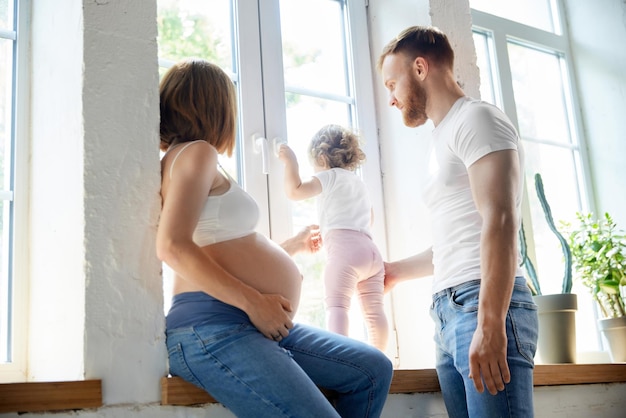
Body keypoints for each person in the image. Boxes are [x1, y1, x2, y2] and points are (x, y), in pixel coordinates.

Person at [156, 58, 393, 418]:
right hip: (214, 326)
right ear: (216, 106)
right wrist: (255, 303)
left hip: (250, 322)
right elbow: (172, 245)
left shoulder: (185, 159)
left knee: (372, 370)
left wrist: (290, 249)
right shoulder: (198, 152)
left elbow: (218, 246)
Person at [377, 26, 539, 418]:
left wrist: (489, 324)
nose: (392, 99)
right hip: (448, 312)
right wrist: (394, 272)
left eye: (392, 83)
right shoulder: (440, 139)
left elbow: (500, 221)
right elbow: (460, 238)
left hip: (482, 305)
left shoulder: (477, 119)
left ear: (420, 67)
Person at [278, 125, 389, 351]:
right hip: (371, 252)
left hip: (345, 253)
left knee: (338, 307)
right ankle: (381, 357)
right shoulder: (359, 183)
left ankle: (343, 359)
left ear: (321, 158)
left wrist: (291, 163)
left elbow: (295, 191)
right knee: (375, 311)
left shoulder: (329, 176)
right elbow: (370, 218)